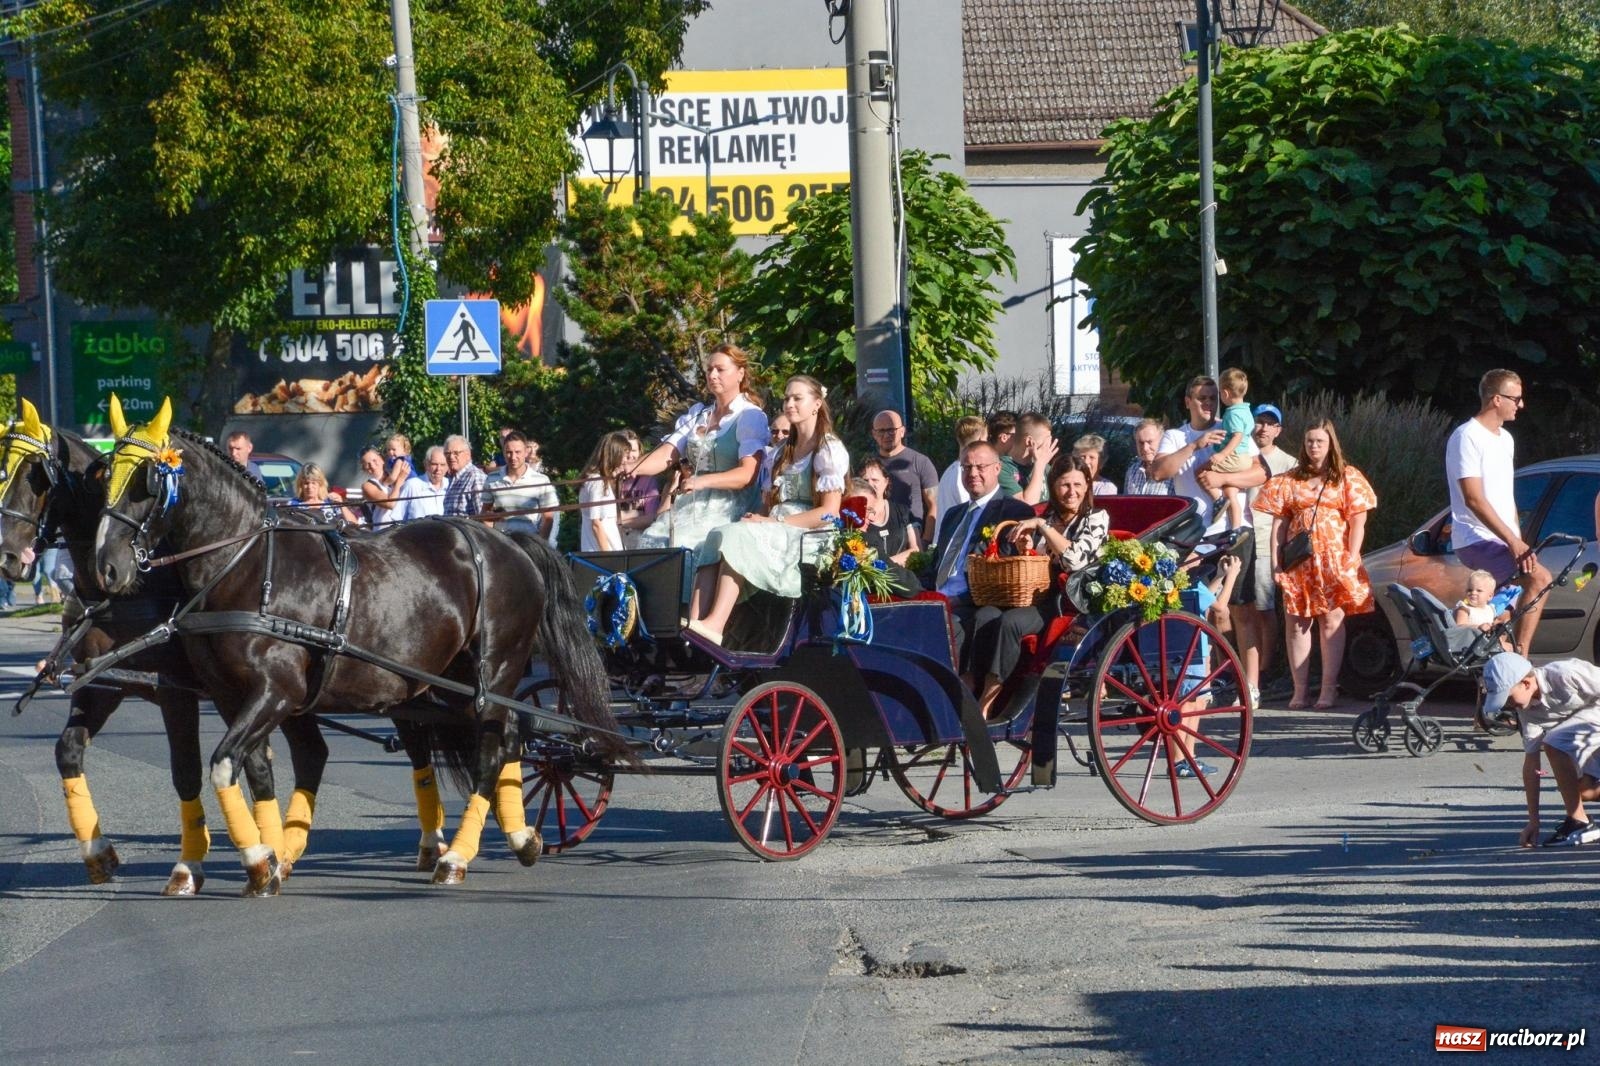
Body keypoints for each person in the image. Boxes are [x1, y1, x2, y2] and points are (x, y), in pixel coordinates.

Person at [687, 375, 847, 645]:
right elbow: (766, 505)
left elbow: (829, 513)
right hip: (776, 528)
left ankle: (715, 624)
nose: (789, 403)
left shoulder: (828, 449)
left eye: (798, 398)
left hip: (811, 535)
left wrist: (776, 523)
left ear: (816, 404)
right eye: (787, 398)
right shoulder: (781, 452)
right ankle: (696, 621)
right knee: (717, 535)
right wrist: (758, 518)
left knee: (737, 537)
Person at [969, 454, 1110, 717]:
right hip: (1036, 594)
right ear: (1054, 486)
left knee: (1011, 622)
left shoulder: (1095, 518)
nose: (1072, 492)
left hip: (1067, 602)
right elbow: (1035, 562)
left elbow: (1075, 559)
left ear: (1087, 486)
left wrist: (1043, 527)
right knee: (984, 614)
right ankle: (969, 684)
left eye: (1078, 485)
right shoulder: (1050, 516)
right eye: (1065, 485)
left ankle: (987, 704)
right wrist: (1028, 549)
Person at [1254, 418, 1377, 710]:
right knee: (1296, 624)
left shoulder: (1347, 477)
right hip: (1299, 561)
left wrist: (1352, 555)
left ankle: (1328, 688)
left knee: (1331, 621)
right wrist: (1275, 562)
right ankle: (1299, 690)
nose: (1314, 446)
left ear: (1330, 443)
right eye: (1310, 441)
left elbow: (1358, 521)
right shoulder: (1289, 480)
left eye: (1320, 441)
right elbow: (1279, 527)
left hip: (1333, 559)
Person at [633, 343, 769, 605]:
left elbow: (746, 475)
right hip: (692, 503)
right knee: (654, 539)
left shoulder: (750, 416)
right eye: (709, 370)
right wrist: (629, 469)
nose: (712, 375)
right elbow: (666, 455)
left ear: (740, 373)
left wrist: (701, 481)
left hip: (731, 505)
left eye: (720, 369)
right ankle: (658, 615)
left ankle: (689, 615)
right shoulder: (698, 415)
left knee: (686, 544)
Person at [1447, 369, 1550, 654]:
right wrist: (1513, 541)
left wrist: (1518, 537)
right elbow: (1474, 499)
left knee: (1504, 610)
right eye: (1515, 399)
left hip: (1502, 538)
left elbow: (1505, 496)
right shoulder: (1466, 437)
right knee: (1540, 579)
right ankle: (1521, 658)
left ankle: (1499, 658)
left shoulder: (1505, 438)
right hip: (1476, 538)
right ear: (1496, 399)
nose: (1521, 405)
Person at [927, 440, 1038, 679]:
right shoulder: (953, 515)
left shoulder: (1013, 512)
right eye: (967, 468)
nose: (973, 473)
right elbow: (935, 564)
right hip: (936, 599)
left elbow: (1005, 573)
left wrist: (956, 600)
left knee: (942, 631)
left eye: (980, 467)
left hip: (973, 603)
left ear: (997, 469)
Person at [1481, 653, 1600, 847]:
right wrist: (1534, 821)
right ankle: (1579, 817)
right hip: (1593, 739)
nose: (1509, 706)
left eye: (1509, 698)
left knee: (1553, 742)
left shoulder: (1565, 674)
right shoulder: (1526, 711)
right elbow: (1532, 765)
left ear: (1526, 683)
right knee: (1584, 791)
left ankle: (1579, 823)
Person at [1230, 403, 1298, 705]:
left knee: (1264, 603)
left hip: (1269, 535)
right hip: (1242, 531)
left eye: (1271, 424)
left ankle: (1268, 666)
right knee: (1240, 605)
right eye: (1259, 422)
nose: (1264, 428)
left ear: (1279, 430)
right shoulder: (1242, 452)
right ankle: (1244, 666)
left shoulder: (1287, 462)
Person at [1151, 375, 1266, 533]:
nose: (1208, 403)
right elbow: (1158, 473)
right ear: (1187, 402)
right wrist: (1194, 446)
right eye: (1202, 398)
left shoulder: (1230, 428)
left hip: (1235, 529)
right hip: (1195, 532)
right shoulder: (1174, 436)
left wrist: (1223, 479)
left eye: (1213, 398)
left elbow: (1263, 473)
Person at [871, 409, 940, 544]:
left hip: (912, 539)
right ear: (874, 434)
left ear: (902, 431)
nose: (886, 435)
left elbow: (934, 505)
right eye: (881, 431)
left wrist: (926, 540)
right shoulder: (869, 467)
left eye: (891, 430)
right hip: (877, 539)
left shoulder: (919, 462)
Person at [483, 430, 559, 541]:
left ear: (525, 452)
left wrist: (540, 546)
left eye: (517, 452)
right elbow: (485, 514)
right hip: (502, 545)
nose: (513, 457)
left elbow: (548, 518)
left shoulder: (541, 480)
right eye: (509, 452)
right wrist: (491, 540)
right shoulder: (492, 479)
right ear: (503, 452)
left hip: (529, 545)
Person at [934, 415, 988, 544]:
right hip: (954, 547)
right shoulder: (964, 475)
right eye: (986, 438)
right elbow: (970, 514)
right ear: (981, 439)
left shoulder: (949, 472)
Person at [857, 458, 921, 567]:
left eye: (875, 480)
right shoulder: (854, 517)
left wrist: (883, 565)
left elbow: (916, 550)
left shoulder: (903, 512)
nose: (870, 485)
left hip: (904, 579)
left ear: (886, 482)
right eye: (865, 481)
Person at [578, 431, 629, 552]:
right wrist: (607, 557)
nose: (626, 460)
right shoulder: (597, 482)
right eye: (625, 455)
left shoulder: (600, 481)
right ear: (615, 455)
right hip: (601, 555)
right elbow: (596, 525)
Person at [999, 412, 1059, 506]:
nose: (1049, 445)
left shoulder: (1046, 468)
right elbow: (1027, 505)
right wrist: (1039, 465)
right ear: (1029, 441)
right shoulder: (1002, 468)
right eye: (1046, 440)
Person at [616, 430, 662, 549]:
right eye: (626, 451)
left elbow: (651, 517)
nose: (630, 455)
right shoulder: (611, 480)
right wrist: (637, 515)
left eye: (634, 451)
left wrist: (619, 521)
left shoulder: (648, 480)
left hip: (637, 542)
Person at [292, 463, 361, 524]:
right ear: (300, 485)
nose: (310, 487)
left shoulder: (330, 502)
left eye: (314, 483)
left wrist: (341, 504)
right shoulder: (293, 504)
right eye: (306, 483)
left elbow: (354, 524)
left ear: (320, 484)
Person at [1122, 418, 1171, 496]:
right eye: (1141, 443)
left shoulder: (1173, 473)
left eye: (1150, 442)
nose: (1145, 448)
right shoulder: (1132, 471)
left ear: (1162, 441)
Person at [442, 435, 487, 518]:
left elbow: (483, 518)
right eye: (447, 453)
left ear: (468, 454)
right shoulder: (453, 478)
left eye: (456, 453)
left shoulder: (475, 477)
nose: (451, 457)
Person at [399, 445, 449, 519]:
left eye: (442, 465)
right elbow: (397, 519)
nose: (438, 469)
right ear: (426, 464)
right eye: (434, 464)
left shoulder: (451, 485)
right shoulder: (412, 486)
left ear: (448, 467)